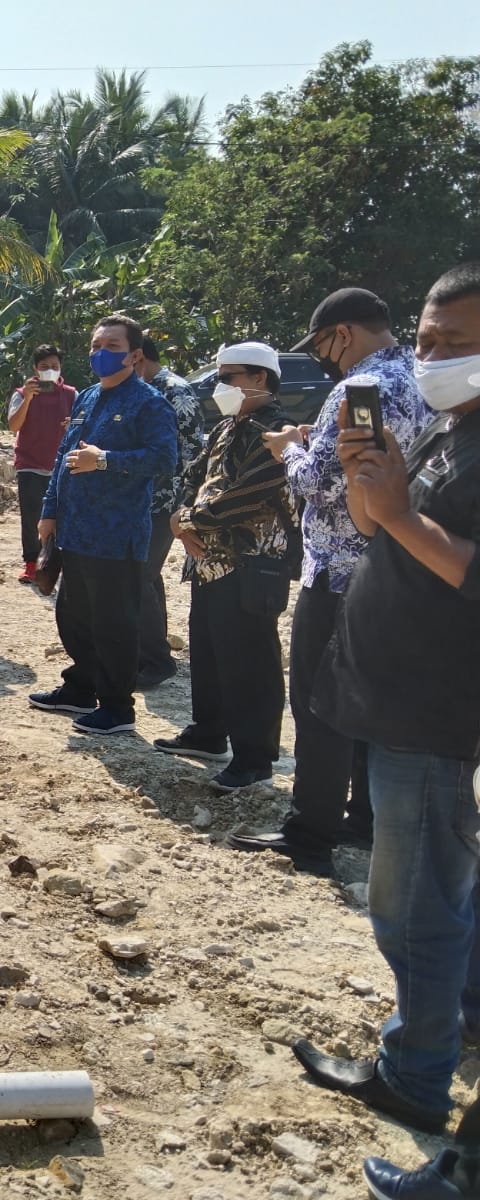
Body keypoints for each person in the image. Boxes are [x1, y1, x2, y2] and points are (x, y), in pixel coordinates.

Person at [291, 263, 480, 1134]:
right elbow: (379, 530)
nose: (432, 359)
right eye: (428, 340)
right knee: (441, 896)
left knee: (412, 910)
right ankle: (446, 1028)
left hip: (435, 711)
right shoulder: (450, 428)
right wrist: (372, 484)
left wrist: (399, 512)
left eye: (455, 345)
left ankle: (414, 1073)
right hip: (397, 696)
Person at [229, 287, 432, 873]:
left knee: (320, 706)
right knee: (373, 701)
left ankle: (310, 833)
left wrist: (288, 448)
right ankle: (364, 820)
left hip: (343, 573)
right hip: (407, 569)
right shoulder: (426, 383)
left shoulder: (359, 391)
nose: (324, 357)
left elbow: (323, 481)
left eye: (322, 344)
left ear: (343, 333)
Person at [153, 342, 298, 790]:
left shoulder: (276, 431)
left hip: (253, 564)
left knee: (250, 661)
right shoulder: (227, 428)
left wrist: (188, 520)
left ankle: (255, 757)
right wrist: (178, 517)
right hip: (209, 563)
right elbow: (193, 474)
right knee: (211, 651)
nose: (221, 386)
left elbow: (250, 491)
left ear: (260, 379)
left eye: (229, 377)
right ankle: (209, 732)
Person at [29, 314, 177, 736]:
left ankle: (117, 707)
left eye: (111, 346)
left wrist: (108, 460)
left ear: (134, 355)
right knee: (74, 617)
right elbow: (64, 456)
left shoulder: (149, 403)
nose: (100, 353)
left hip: (117, 536)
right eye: (95, 345)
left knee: (114, 624)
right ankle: (81, 688)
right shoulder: (87, 398)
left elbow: (165, 460)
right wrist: (50, 509)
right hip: (74, 531)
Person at [136, 335, 203, 686]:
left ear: (139, 357)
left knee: (140, 576)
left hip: (166, 501)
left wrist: (186, 505)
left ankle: (156, 661)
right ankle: (150, 651)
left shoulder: (175, 391)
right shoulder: (144, 390)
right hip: (144, 498)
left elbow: (193, 452)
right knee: (146, 576)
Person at [8, 344, 77, 584]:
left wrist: (73, 426)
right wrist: (27, 398)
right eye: (45, 367)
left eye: (55, 367)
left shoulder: (72, 394)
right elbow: (14, 426)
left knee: (63, 517)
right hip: (29, 464)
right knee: (31, 517)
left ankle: (58, 564)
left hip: (61, 466)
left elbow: (82, 425)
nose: (50, 370)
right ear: (35, 369)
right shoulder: (20, 394)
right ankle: (31, 563)